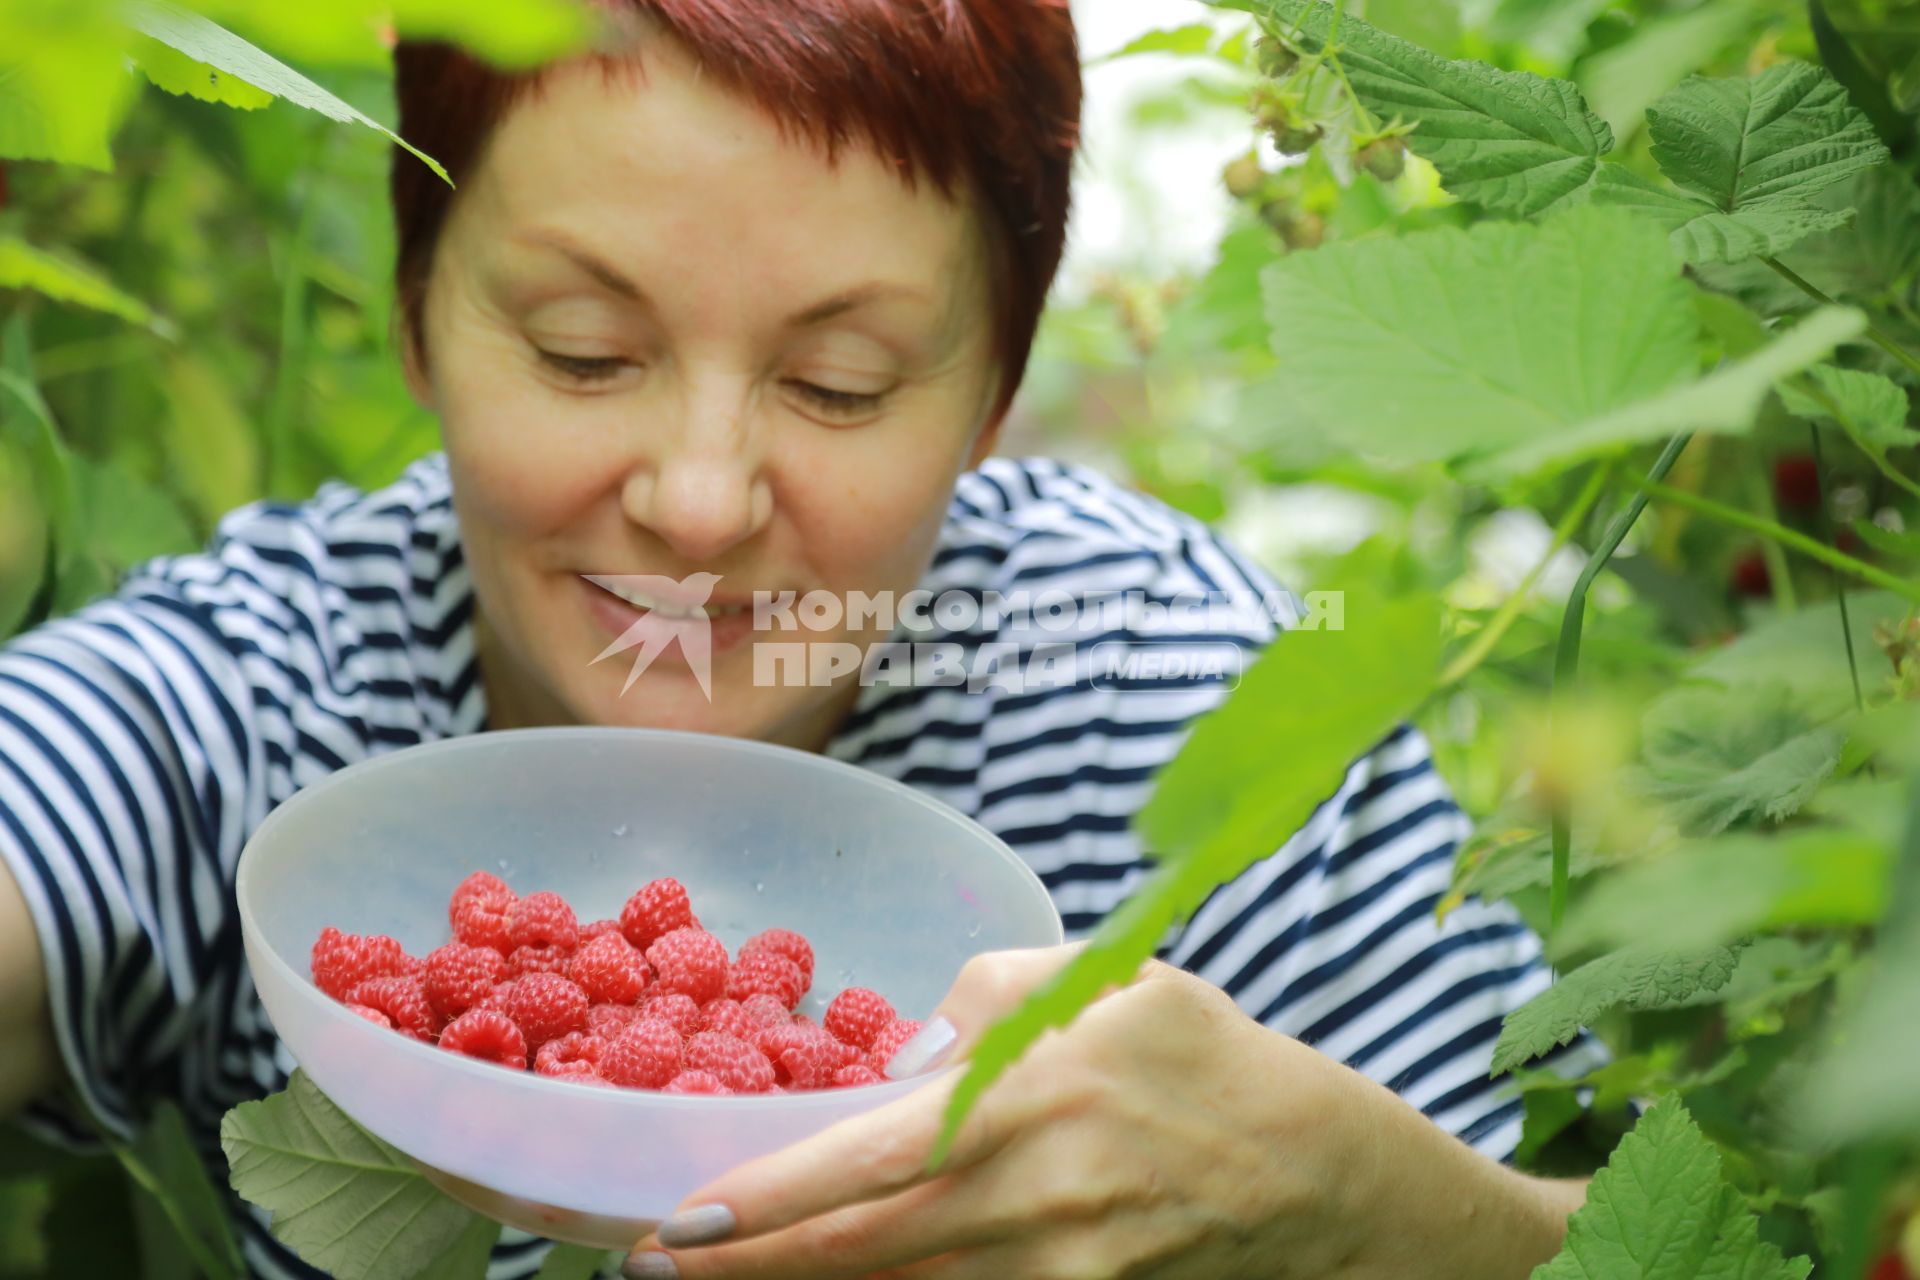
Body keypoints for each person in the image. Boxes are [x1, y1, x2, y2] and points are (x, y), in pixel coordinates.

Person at [0, 2, 1602, 1277]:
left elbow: (1619, 1238)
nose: (699, 505)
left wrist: (1363, 1219)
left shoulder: (1178, 697)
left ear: (992, 392)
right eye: (583, 351)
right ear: (418, 311)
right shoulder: (280, 691)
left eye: (838, 382)